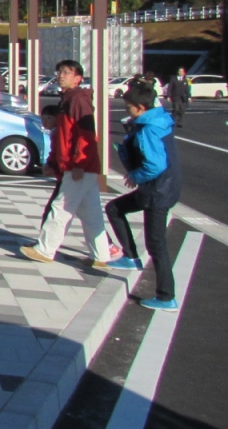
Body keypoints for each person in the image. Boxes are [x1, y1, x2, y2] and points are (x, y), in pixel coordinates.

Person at [21, 60, 113, 267]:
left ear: (77, 78)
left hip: (79, 166)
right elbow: (63, 137)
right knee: (90, 214)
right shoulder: (68, 100)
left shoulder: (78, 100)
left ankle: (44, 250)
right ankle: (100, 256)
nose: (60, 76)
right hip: (79, 166)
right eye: (59, 72)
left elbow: (86, 135)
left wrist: (79, 163)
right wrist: (54, 163)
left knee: (61, 207)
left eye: (66, 72)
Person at [106, 83, 182, 310]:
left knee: (156, 244)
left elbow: (155, 165)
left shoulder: (148, 129)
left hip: (156, 191)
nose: (127, 110)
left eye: (128, 107)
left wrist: (135, 176)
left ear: (140, 107)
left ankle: (166, 297)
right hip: (163, 188)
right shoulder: (160, 120)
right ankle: (130, 256)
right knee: (114, 208)